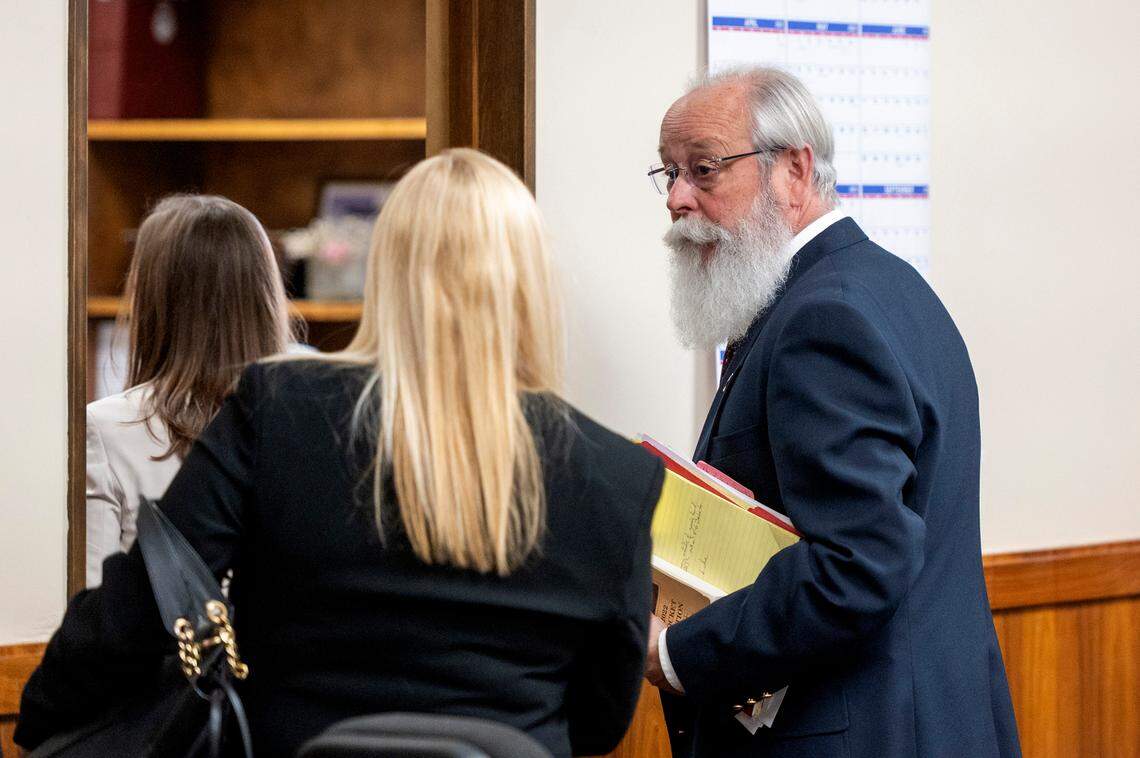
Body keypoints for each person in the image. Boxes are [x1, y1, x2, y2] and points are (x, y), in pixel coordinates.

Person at [17, 149, 663, 758]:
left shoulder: (277, 409)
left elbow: (146, 604)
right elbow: (601, 722)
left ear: (385, 275)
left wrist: (41, 715)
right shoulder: (620, 481)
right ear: (535, 290)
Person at [643, 68, 1021, 757]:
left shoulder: (826, 317)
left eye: (703, 169)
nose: (676, 199)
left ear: (794, 169)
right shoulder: (884, 285)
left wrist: (676, 653)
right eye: (667, 174)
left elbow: (857, 564)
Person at [84, 194, 294, 588]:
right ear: (267, 297)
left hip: (171, 649)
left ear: (151, 300)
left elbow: (99, 614)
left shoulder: (105, 428)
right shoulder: (310, 422)